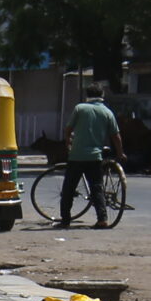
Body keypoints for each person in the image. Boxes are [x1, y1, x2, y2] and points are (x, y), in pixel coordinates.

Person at [58, 84, 123, 227]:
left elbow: (68, 129)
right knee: (97, 188)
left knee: (68, 189)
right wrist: (120, 153)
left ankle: (65, 220)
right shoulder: (107, 112)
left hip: (76, 156)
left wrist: (68, 143)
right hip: (95, 157)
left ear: (87, 95)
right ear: (102, 95)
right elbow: (116, 136)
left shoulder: (80, 108)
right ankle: (102, 219)